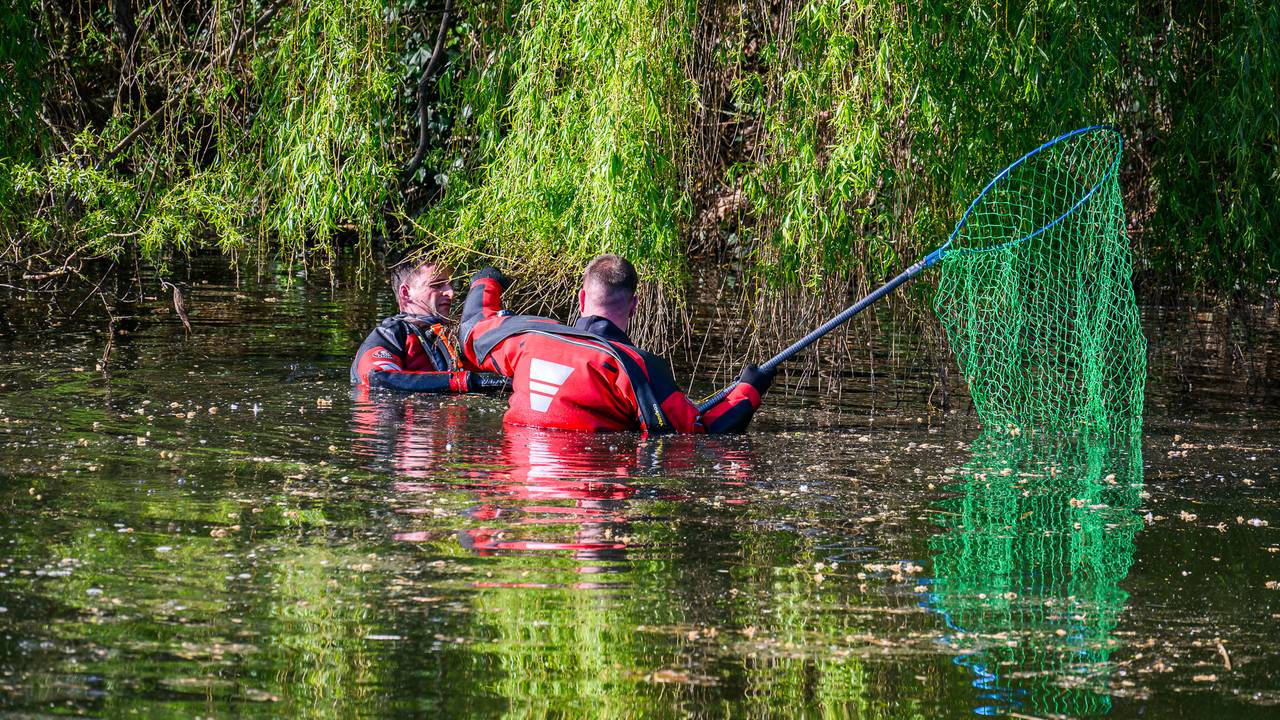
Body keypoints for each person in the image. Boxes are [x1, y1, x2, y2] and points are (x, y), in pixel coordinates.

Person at [459, 254, 774, 433]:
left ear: (581, 297)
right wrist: (749, 390)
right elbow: (699, 435)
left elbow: (472, 329)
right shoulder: (636, 367)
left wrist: (487, 279)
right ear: (634, 305)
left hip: (519, 482)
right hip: (592, 479)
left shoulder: (526, 337)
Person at [351, 259, 497, 392]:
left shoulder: (455, 335)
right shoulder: (390, 335)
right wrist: (467, 381)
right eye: (437, 285)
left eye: (450, 284)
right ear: (405, 292)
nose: (451, 293)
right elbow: (378, 379)